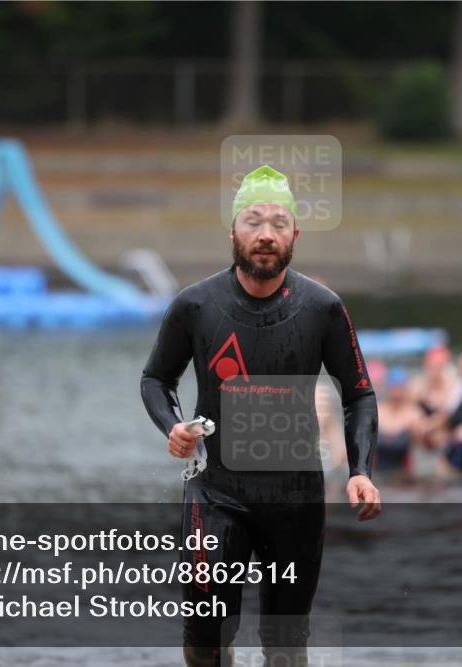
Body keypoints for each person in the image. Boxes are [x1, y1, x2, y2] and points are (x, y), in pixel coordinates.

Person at [141, 165, 381, 667]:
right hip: (215, 493)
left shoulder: (323, 308)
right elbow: (155, 380)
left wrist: (361, 471)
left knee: (287, 646)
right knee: (205, 634)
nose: (265, 234)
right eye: (253, 221)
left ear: (295, 234)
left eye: (277, 222)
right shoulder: (195, 305)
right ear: (233, 232)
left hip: (296, 499)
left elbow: (358, 392)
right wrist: (174, 426)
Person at [409, 345, 462, 450]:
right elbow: (411, 412)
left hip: (445, 439)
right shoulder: (418, 386)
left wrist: (429, 425)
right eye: (432, 366)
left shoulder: (454, 385)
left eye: (439, 366)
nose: (435, 370)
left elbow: (448, 416)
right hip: (424, 439)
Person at [374, 366, 420, 479]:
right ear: (388, 388)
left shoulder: (413, 413)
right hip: (377, 475)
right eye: (394, 387)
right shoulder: (377, 411)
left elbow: (430, 443)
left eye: (400, 387)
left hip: (404, 476)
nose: (397, 392)